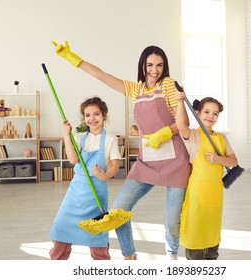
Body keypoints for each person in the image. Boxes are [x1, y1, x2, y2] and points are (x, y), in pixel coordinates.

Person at [52, 41, 191, 260]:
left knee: (171, 221)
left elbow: (184, 127)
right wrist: (72, 58)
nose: (154, 70)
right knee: (118, 212)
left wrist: (164, 132)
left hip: (175, 161)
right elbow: (100, 75)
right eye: (150, 65)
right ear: (142, 66)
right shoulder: (135, 89)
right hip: (147, 161)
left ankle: (172, 257)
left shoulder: (168, 85)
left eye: (159, 65)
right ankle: (129, 256)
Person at [49, 97, 120, 260]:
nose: (92, 119)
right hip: (76, 193)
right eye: (87, 115)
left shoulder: (110, 139)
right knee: (61, 233)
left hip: (96, 194)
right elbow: (73, 160)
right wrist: (66, 135)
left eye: (96, 114)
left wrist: (104, 175)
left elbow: (115, 165)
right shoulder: (80, 137)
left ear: (104, 116)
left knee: (98, 243)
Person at [175, 90, 239, 260]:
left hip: (215, 192)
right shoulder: (194, 135)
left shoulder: (221, 138)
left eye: (215, 113)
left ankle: (211, 258)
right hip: (197, 192)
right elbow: (181, 126)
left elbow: (233, 161)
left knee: (212, 229)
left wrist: (219, 159)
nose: (211, 116)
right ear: (198, 113)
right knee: (196, 227)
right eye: (206, 112)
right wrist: (181, 101)